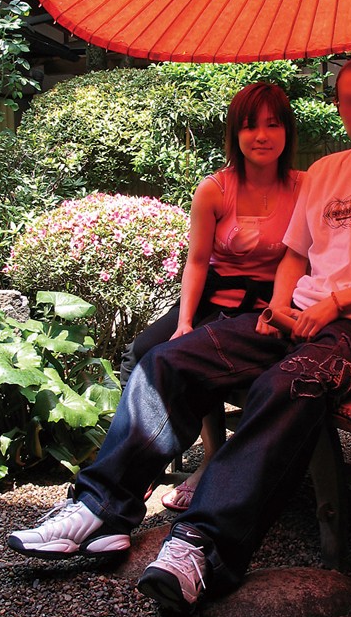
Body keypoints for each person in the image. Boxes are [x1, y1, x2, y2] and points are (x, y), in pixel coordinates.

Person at [7, 57, 351, 617]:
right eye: (348, 101)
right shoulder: (326, 171)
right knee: (168, 360)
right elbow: (295, 255)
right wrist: (280, 305)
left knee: (287, 384)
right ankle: (101, 507)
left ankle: (202, 545)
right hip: (298, 313)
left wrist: (339, 302)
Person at [119, 82, 303, 510]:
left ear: (287, 131)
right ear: (235, 134)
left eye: (273, 125)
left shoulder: (304, 187)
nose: (261, 136)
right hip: (214, 296)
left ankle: (211, 464)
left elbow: (304, 256)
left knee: (205, 359)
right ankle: (145, 459)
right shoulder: (215, 189)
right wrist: (184, 322)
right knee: (144, 351)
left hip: (271, 304)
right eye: (250, 126)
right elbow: (198, 261)